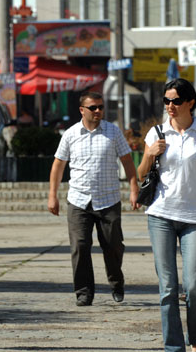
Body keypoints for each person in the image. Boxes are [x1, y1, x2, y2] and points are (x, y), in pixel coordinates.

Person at [139, 78, 196, 352]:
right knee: (168, 287)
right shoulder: (156, 133)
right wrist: (150, 153)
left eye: (175, 101)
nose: (170, 106)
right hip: (160, 214)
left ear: (189, 103)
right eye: (166, 101)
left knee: (194, 286)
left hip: (195, 218)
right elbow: (140, 173)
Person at [48, 91, 139, 306]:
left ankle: (116, 283)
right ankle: (84, 292)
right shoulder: (70, 134)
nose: (98, 111)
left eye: (101, 107)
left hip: (108, 200)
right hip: (79, 200)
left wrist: (134, 189)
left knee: (113, 245)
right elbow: (58, 165)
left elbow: (127, 162)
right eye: (93, 107)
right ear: (82, 110)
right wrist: (53, 195)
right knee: (79, 246)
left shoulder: (113, 132)